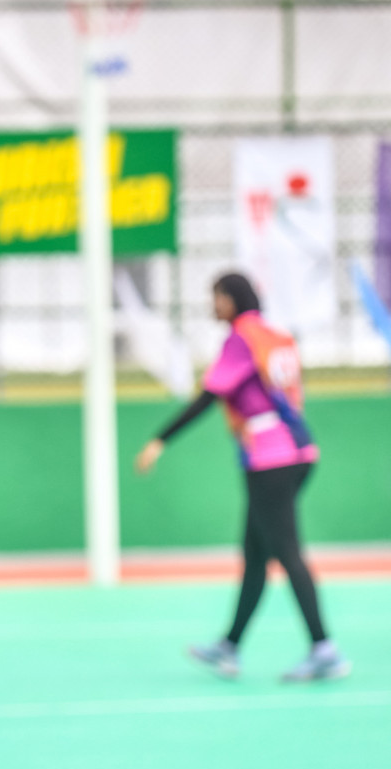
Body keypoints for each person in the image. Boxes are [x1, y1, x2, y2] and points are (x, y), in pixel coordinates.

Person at [136, 272, 350, 682]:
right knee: (256, 554)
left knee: (286, 552)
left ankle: (324, 649)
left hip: (270, 458)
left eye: (217, 297)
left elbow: (209, 396)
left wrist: (160, 439)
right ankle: (229, 647)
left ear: (233, 299)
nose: (213, 305)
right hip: (298, 450)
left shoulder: (241, 339)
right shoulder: (275, 335)